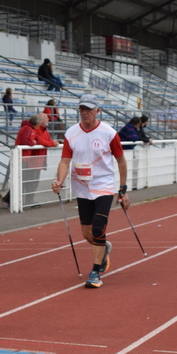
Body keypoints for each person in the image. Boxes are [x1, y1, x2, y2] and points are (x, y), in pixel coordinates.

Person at [51, 95, 130, 289]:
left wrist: (122, 189)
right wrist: (59, 180)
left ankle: (95, 272)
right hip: (82, 187)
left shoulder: (109, 133)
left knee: (98, 227)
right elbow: (65, 161)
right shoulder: (71, 133)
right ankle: (104, 247)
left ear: (97, 110)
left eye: (88, 109)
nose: (85, 112)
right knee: (87, 233)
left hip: (103, 186)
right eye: (82, 109)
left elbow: (121, 161)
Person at [15, 112, 57, 208]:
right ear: (40, 121)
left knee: (32, 181)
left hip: (37, 159)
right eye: (46, 118)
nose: (48, 120)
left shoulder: (43, 130)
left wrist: (51, 142)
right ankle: (25, 201)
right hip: (32, 160)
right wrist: (51, 143)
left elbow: (46, 140)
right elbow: (39, 141)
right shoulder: (34, 129)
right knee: (29, 181)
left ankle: (25, 201)